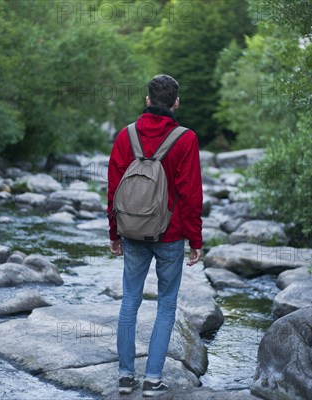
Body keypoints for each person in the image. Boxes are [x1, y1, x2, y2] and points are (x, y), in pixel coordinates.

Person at [107, 74, 203, 397]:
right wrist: (196, 240)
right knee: (165, 305)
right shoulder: (186, 139)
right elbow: (191, 195)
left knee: (130, 300)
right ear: (176, 103)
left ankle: (124, 377)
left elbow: (113, 189)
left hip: (132, 232)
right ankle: (152, 380)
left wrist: (114, 232)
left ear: (148, 101)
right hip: (170, 235)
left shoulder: (126, 136)